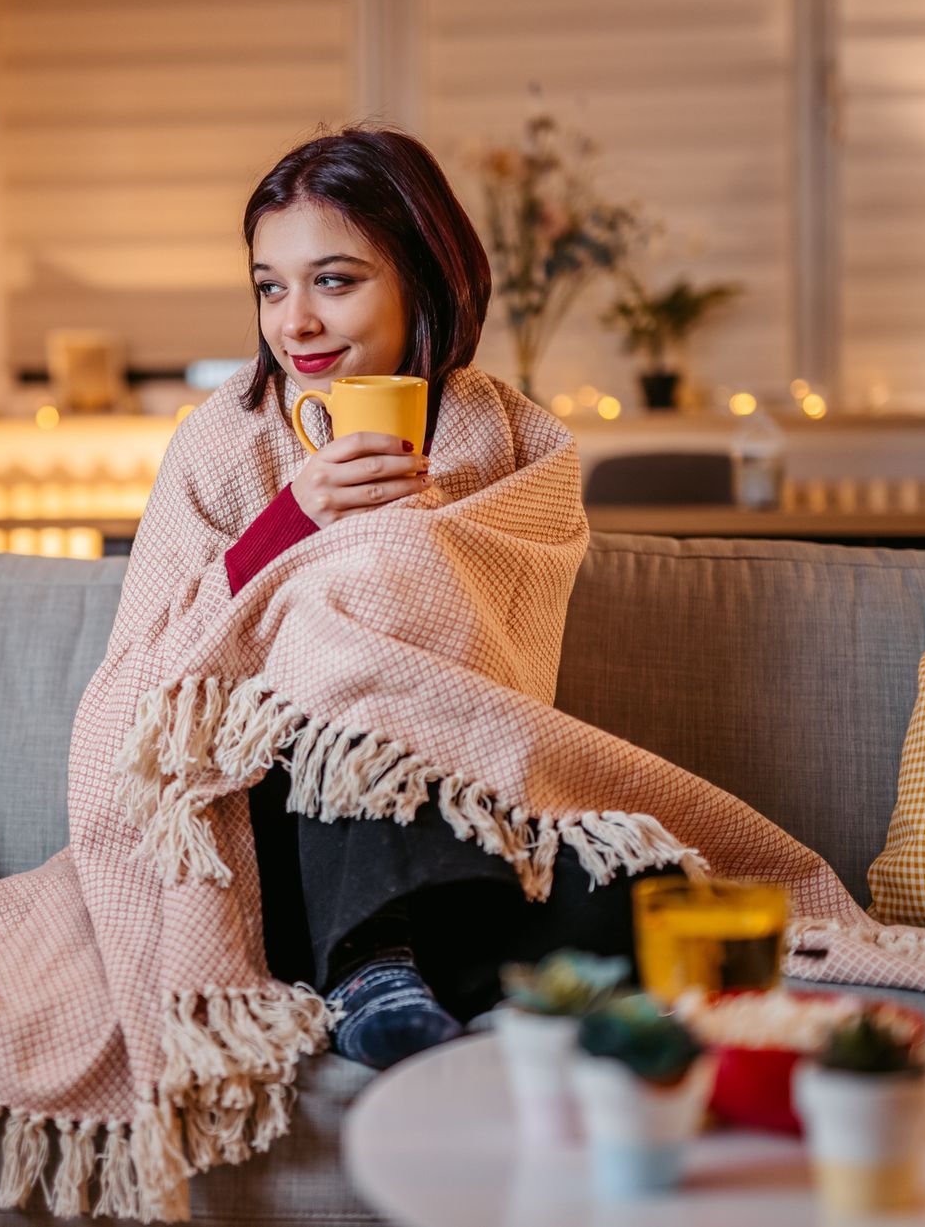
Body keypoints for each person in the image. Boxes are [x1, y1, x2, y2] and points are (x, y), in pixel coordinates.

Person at [199, 125, 676, 1070]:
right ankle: (372, 958)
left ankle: (391, 960)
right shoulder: (223, 443)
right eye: (270, 285)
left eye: (334, 280)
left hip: (456, 795)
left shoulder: (511, 443)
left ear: (423, 276)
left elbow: (500, 661)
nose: (294, 321)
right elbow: (157, 656)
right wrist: (296, 521)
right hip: (274, 816)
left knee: (656, 898)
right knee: (331, 654)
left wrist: (397, 550)